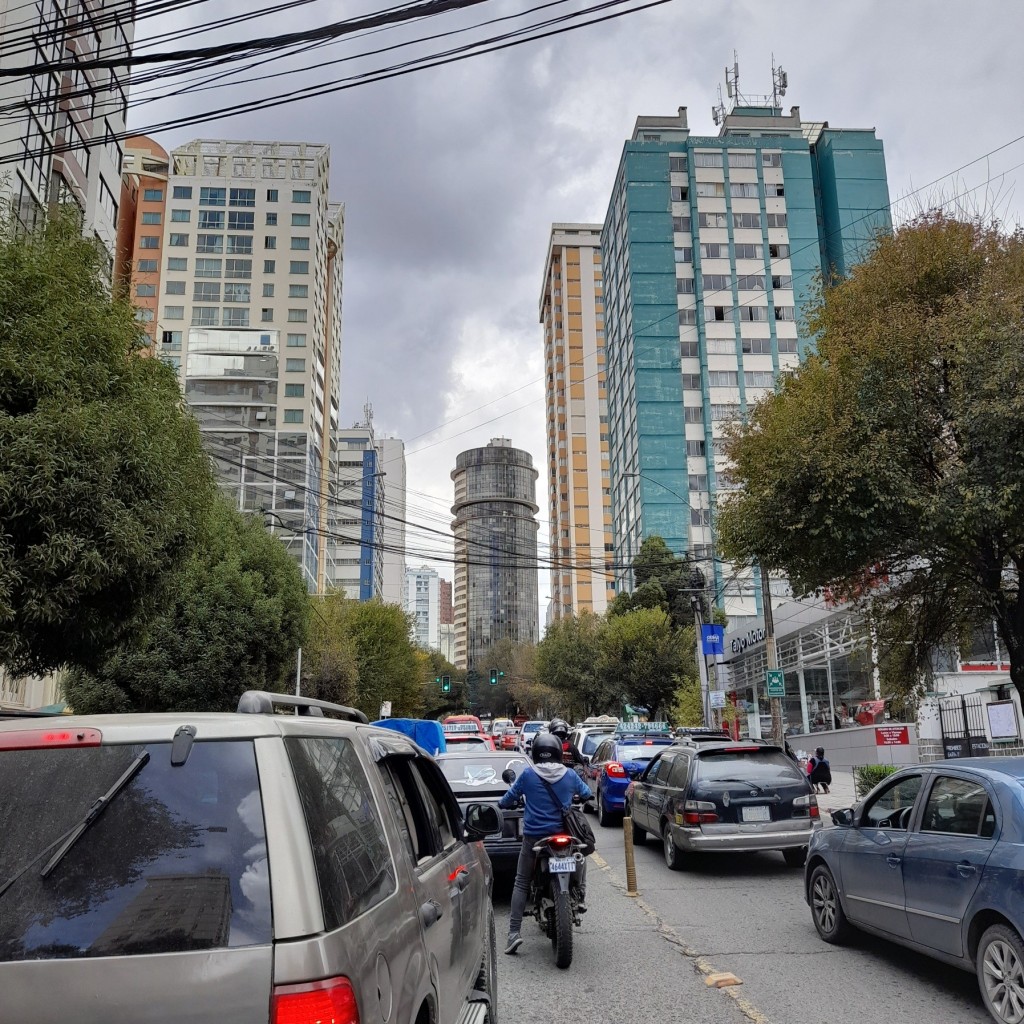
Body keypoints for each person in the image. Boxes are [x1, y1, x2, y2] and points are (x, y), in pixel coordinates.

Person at [498, 731, 593, 956]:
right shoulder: (569, 775)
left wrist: (504, 803)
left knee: (521, 882)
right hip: (564, 836)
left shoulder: (528, 776)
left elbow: (507, 800)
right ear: (559, 753)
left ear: (536, 753)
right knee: (581, 856)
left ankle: (513, 933)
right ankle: (579, 894)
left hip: (534, 838)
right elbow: (587, 793)